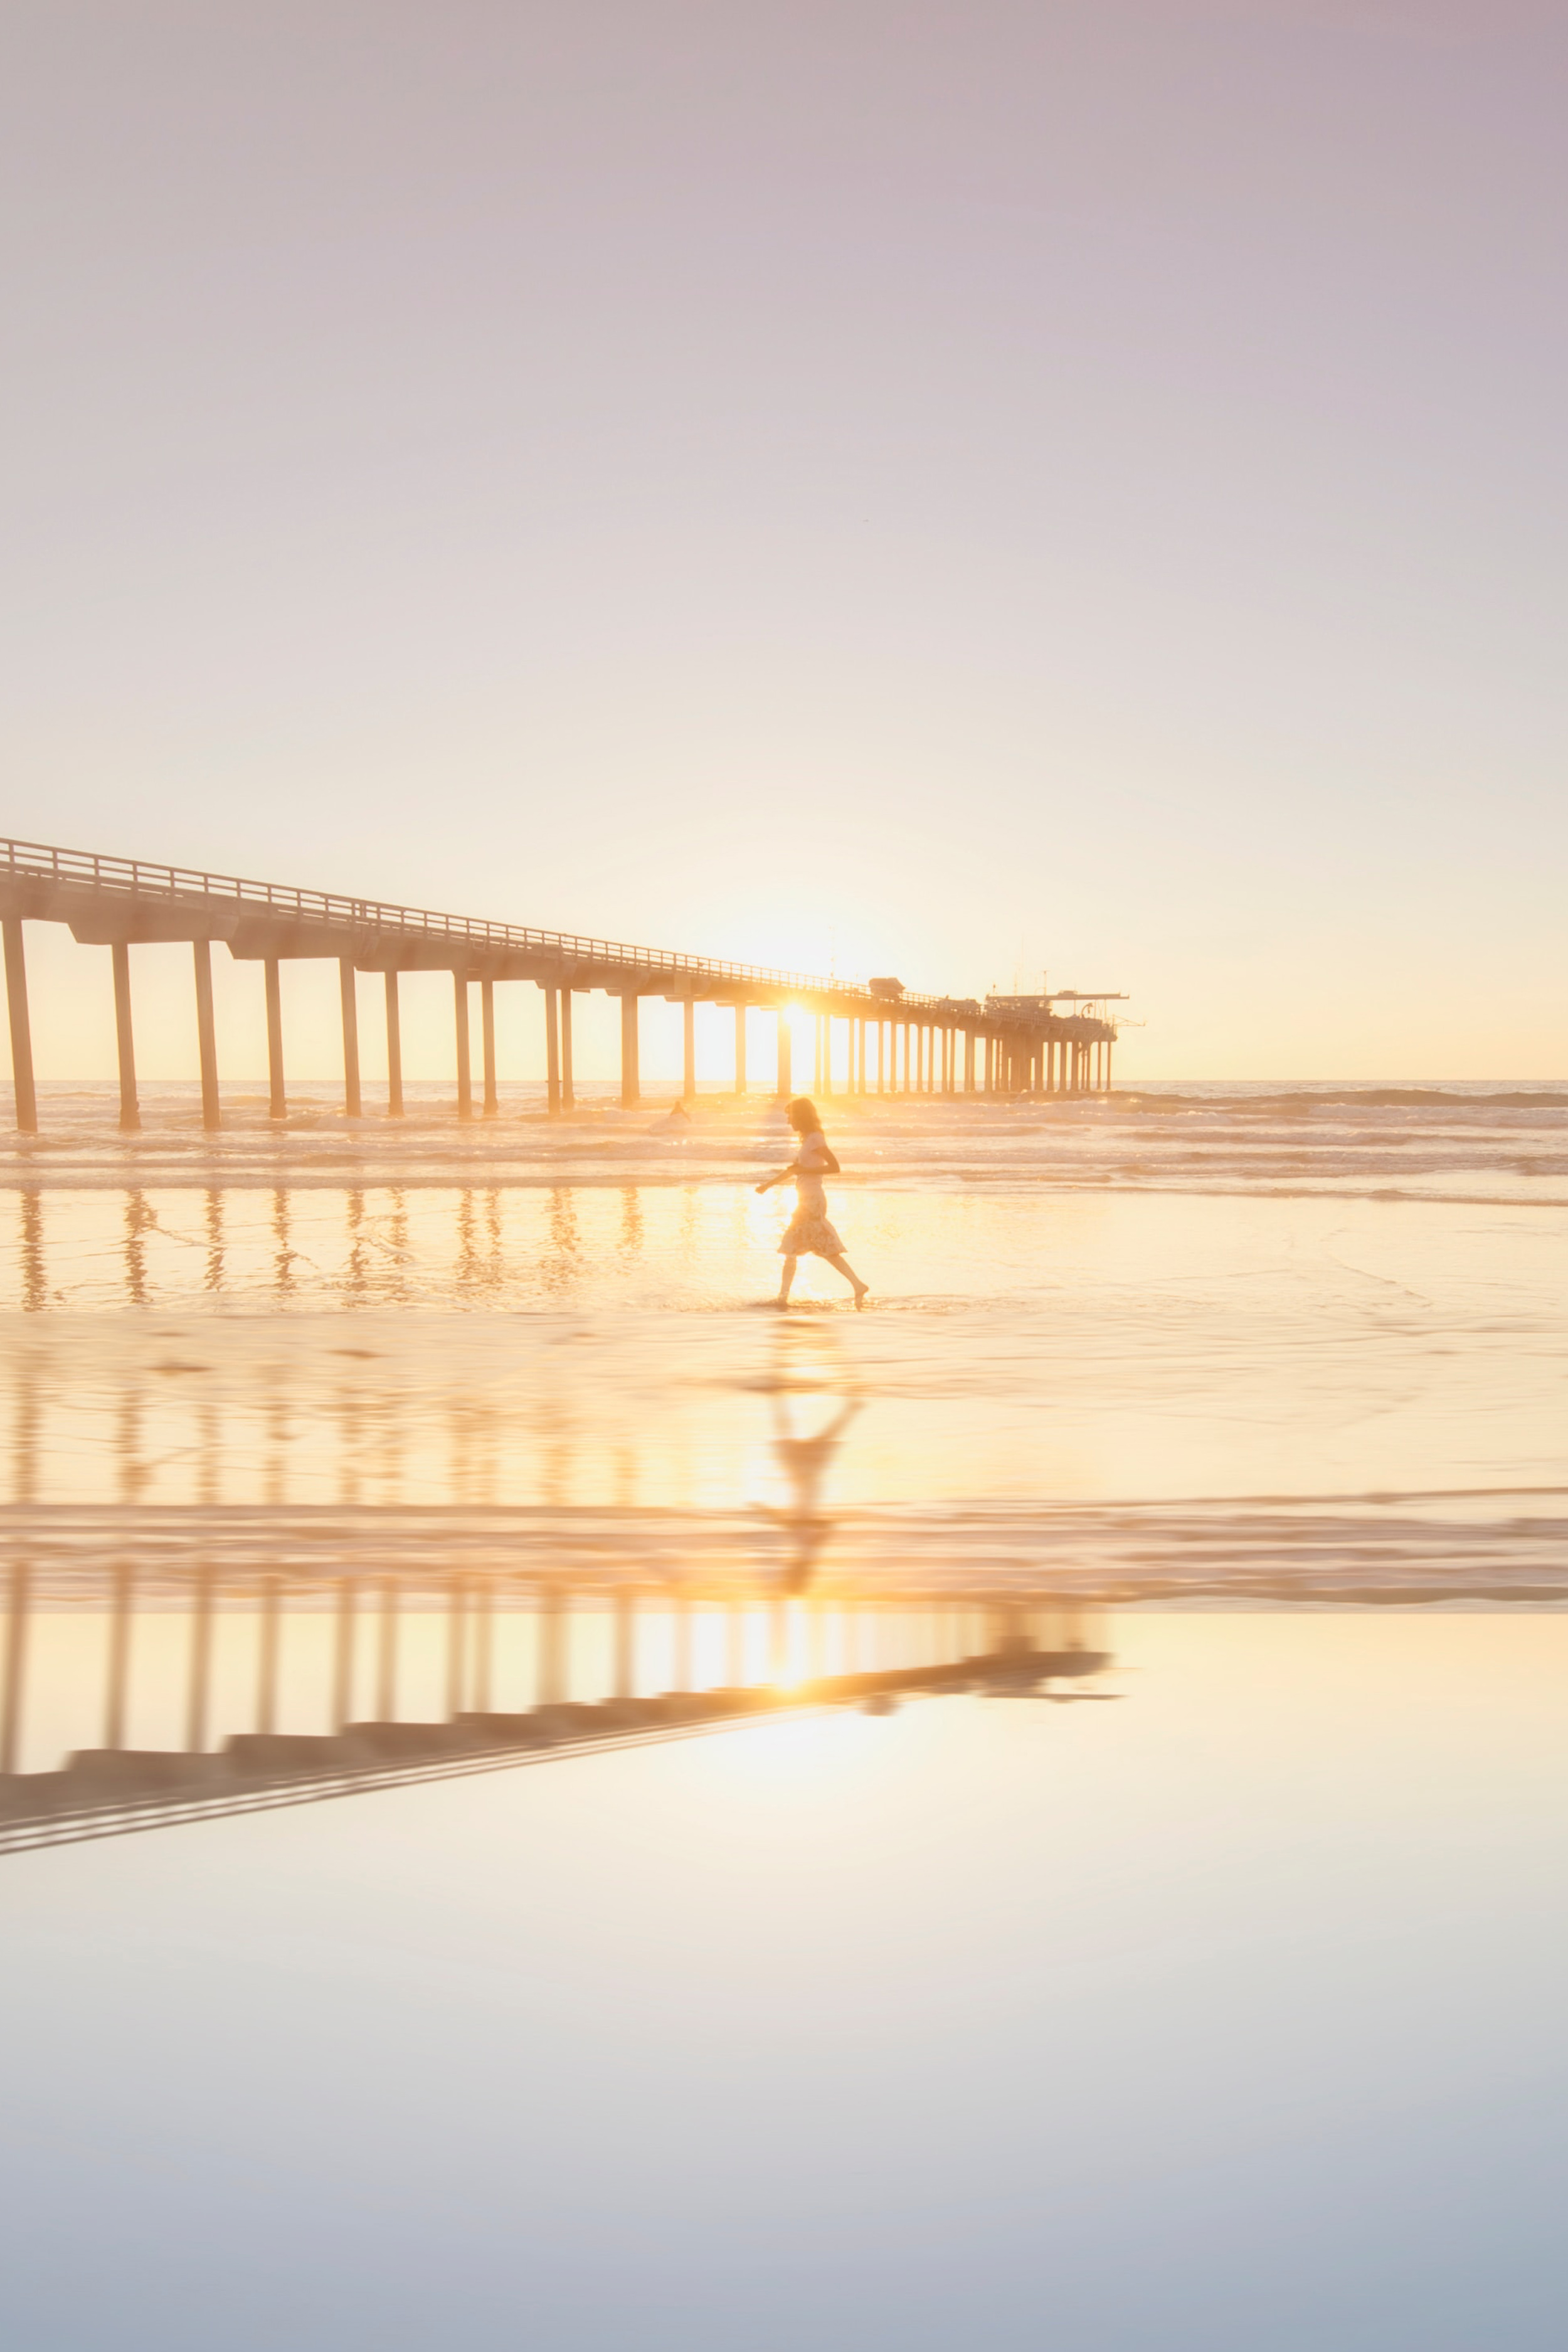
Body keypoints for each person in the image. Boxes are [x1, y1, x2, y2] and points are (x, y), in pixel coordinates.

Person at [755, 1097, 869, 1307]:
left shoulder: (816, 1138)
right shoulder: (807, 1140)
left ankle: (783, 1298)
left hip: (812, 1200)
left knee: (795, 1247)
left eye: (791, 1116)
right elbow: (793, 1171)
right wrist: (768, 1185)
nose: (789, 1121)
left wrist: (805, 1171)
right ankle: (857, 1285)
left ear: (800, 1115)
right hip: (806, 1198)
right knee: (819, 1248)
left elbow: (835, 1167)